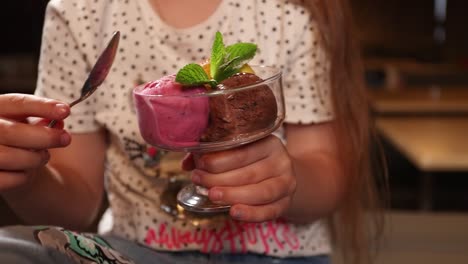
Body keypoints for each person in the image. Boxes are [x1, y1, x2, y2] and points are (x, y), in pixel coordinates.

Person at [0, 0, 383, 263]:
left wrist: (286, 179)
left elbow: (328, 170)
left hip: (277, 255)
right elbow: (76, 203)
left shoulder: (289, 11)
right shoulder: (81, 12)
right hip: (135, 250)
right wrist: (28, 175)